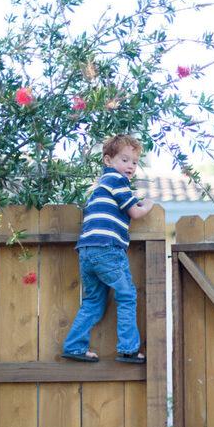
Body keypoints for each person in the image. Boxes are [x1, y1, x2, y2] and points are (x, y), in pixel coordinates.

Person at [62, 134, 154, 363]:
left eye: (134, 162)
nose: (130, 166)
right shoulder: (117, 181)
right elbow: (134, 211)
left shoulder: (100, 188)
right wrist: (147, 205)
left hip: (86, 251)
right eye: (125, 160)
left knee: (93, 301)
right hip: (108, 249)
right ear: (108, 160)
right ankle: (128, 349)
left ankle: (74, 346)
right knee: (126, 295)